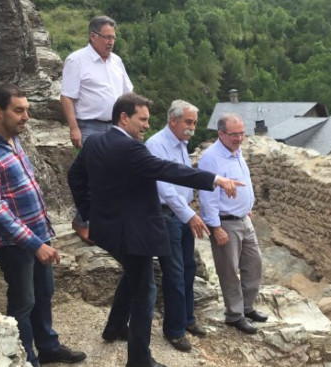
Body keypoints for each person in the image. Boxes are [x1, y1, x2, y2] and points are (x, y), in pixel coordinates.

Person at [67, 93, 242, 367]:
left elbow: (74, 176)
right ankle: (139, 359)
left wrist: (90, 214)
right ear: (124, 118)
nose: (147, 125)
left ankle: (114, 328)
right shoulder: (132, 149)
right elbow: (167, 170)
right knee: (145, 291)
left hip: (109, 229)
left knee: (133, 276)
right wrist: (215, 179)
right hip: (134, 232)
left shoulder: (95, 142)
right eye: (143, 119)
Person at [0, 84, 86, 367]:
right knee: (23, 301)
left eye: (27, 110)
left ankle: (48, 346)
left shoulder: (12, 139)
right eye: (19, 110)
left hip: (37, 234)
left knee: (44, 292)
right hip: (12, 243)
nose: (26, 116)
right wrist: (34, 243)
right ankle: (25, 358)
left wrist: (41, 237)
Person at [60, 15, 133, 244]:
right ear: (93, 36)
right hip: (89, 126)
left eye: (113, 37)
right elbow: (67, 97)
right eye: (107, 37)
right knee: (94, 175)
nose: (111, 42)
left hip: (114, 126)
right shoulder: (77, 60)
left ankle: (104, 221)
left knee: (115, 175)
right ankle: (82, 222)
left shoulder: (116, 61)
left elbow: (127, 95)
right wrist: (74, 128)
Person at [144, 100, 208, 352]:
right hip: (168, 216)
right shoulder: (156, 145)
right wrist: (190, 215)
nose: (192, 128)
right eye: (188, 122)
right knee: (174, 274)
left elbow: (184, 180)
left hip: (181, 214)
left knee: (188, 269)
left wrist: (189, 212)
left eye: (194, 123)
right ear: (173, 120)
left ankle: (188, 318)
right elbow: (165, 189)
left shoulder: (181, 144)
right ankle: (174, 330)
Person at [198, 113, 268, 335]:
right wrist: (216, 227)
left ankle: (247, 307)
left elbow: (241, 181)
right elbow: (207, 195)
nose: (239, 138)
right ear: (221, 134)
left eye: (242, 133)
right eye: (234, 134)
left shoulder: (235, 151)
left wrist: (246, 206)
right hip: (225, 223)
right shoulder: (211, 158)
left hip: (243, 219)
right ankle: (234, 315)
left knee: (253, 264)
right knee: (228, 271)